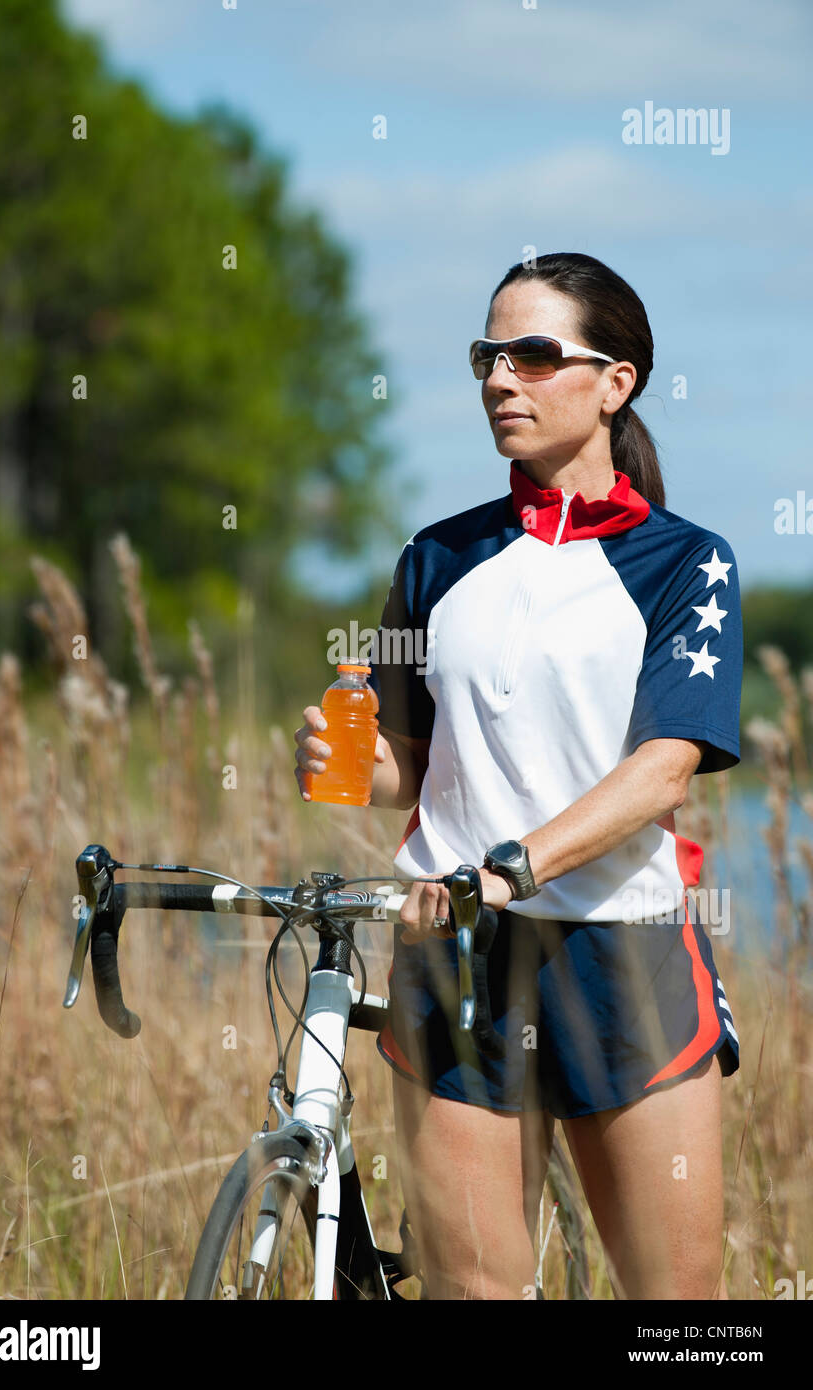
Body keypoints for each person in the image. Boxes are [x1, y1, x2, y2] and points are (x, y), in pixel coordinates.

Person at [293, 252, 743, 1301]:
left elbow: (663, 770)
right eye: (489, 355)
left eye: (535, 355)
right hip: (449, 952)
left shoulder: (688, 563)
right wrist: (335, 766)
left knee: (678, 1312)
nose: (502, 378)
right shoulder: (434, 559)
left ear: (615, 380)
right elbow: (406, 766)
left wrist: (508, 867)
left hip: (623, 957)